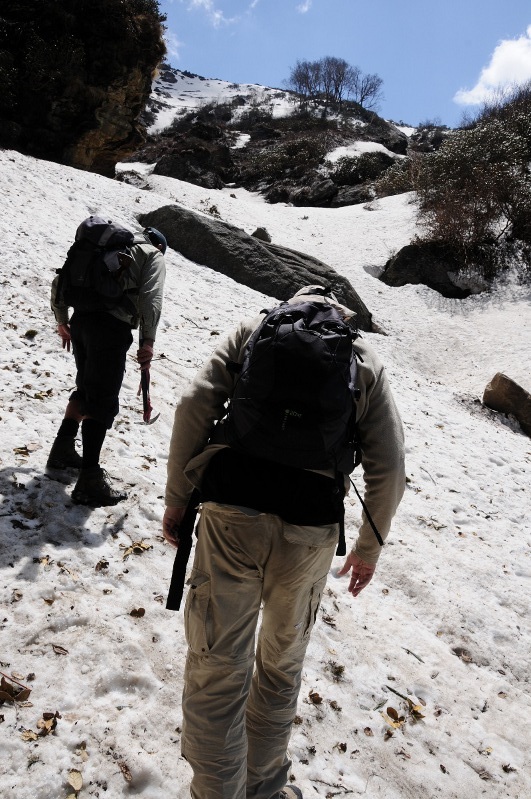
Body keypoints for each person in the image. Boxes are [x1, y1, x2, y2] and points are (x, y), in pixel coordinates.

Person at [163, 286, 405, 799]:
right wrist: (368, 548)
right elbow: (390, 464)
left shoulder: (254, 333)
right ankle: (266, 788)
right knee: (279, 668)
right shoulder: (361, 360)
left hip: (232, 514)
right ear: (341, 316)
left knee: (217, 669)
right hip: (311, 527)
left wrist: (179, 498)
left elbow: (192, 404)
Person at [47, 224, 167, 506]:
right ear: (160, 245)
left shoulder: (98, 248)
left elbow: (61, 280)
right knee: (101, 399)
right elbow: (152, 297)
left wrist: (61, 319)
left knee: (87, 387)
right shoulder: (152, 255)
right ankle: (89, 480)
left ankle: (62, 450)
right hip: (110, 328)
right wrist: (147, 341)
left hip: (81, 321)